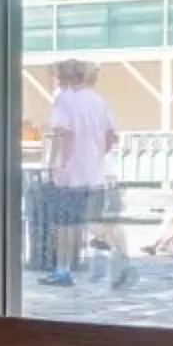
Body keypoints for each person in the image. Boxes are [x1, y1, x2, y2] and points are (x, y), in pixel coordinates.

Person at [43, 59, 121, 288]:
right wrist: (96, 155)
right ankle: (111, 259)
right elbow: (111, 137)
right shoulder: (100, 101)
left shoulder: (63, 100)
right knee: (87, 222)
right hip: (95, 172)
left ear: (64, 77)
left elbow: (63, 135)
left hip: (71, 172)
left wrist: (56, 164)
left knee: (64, 224)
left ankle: (63, 270)